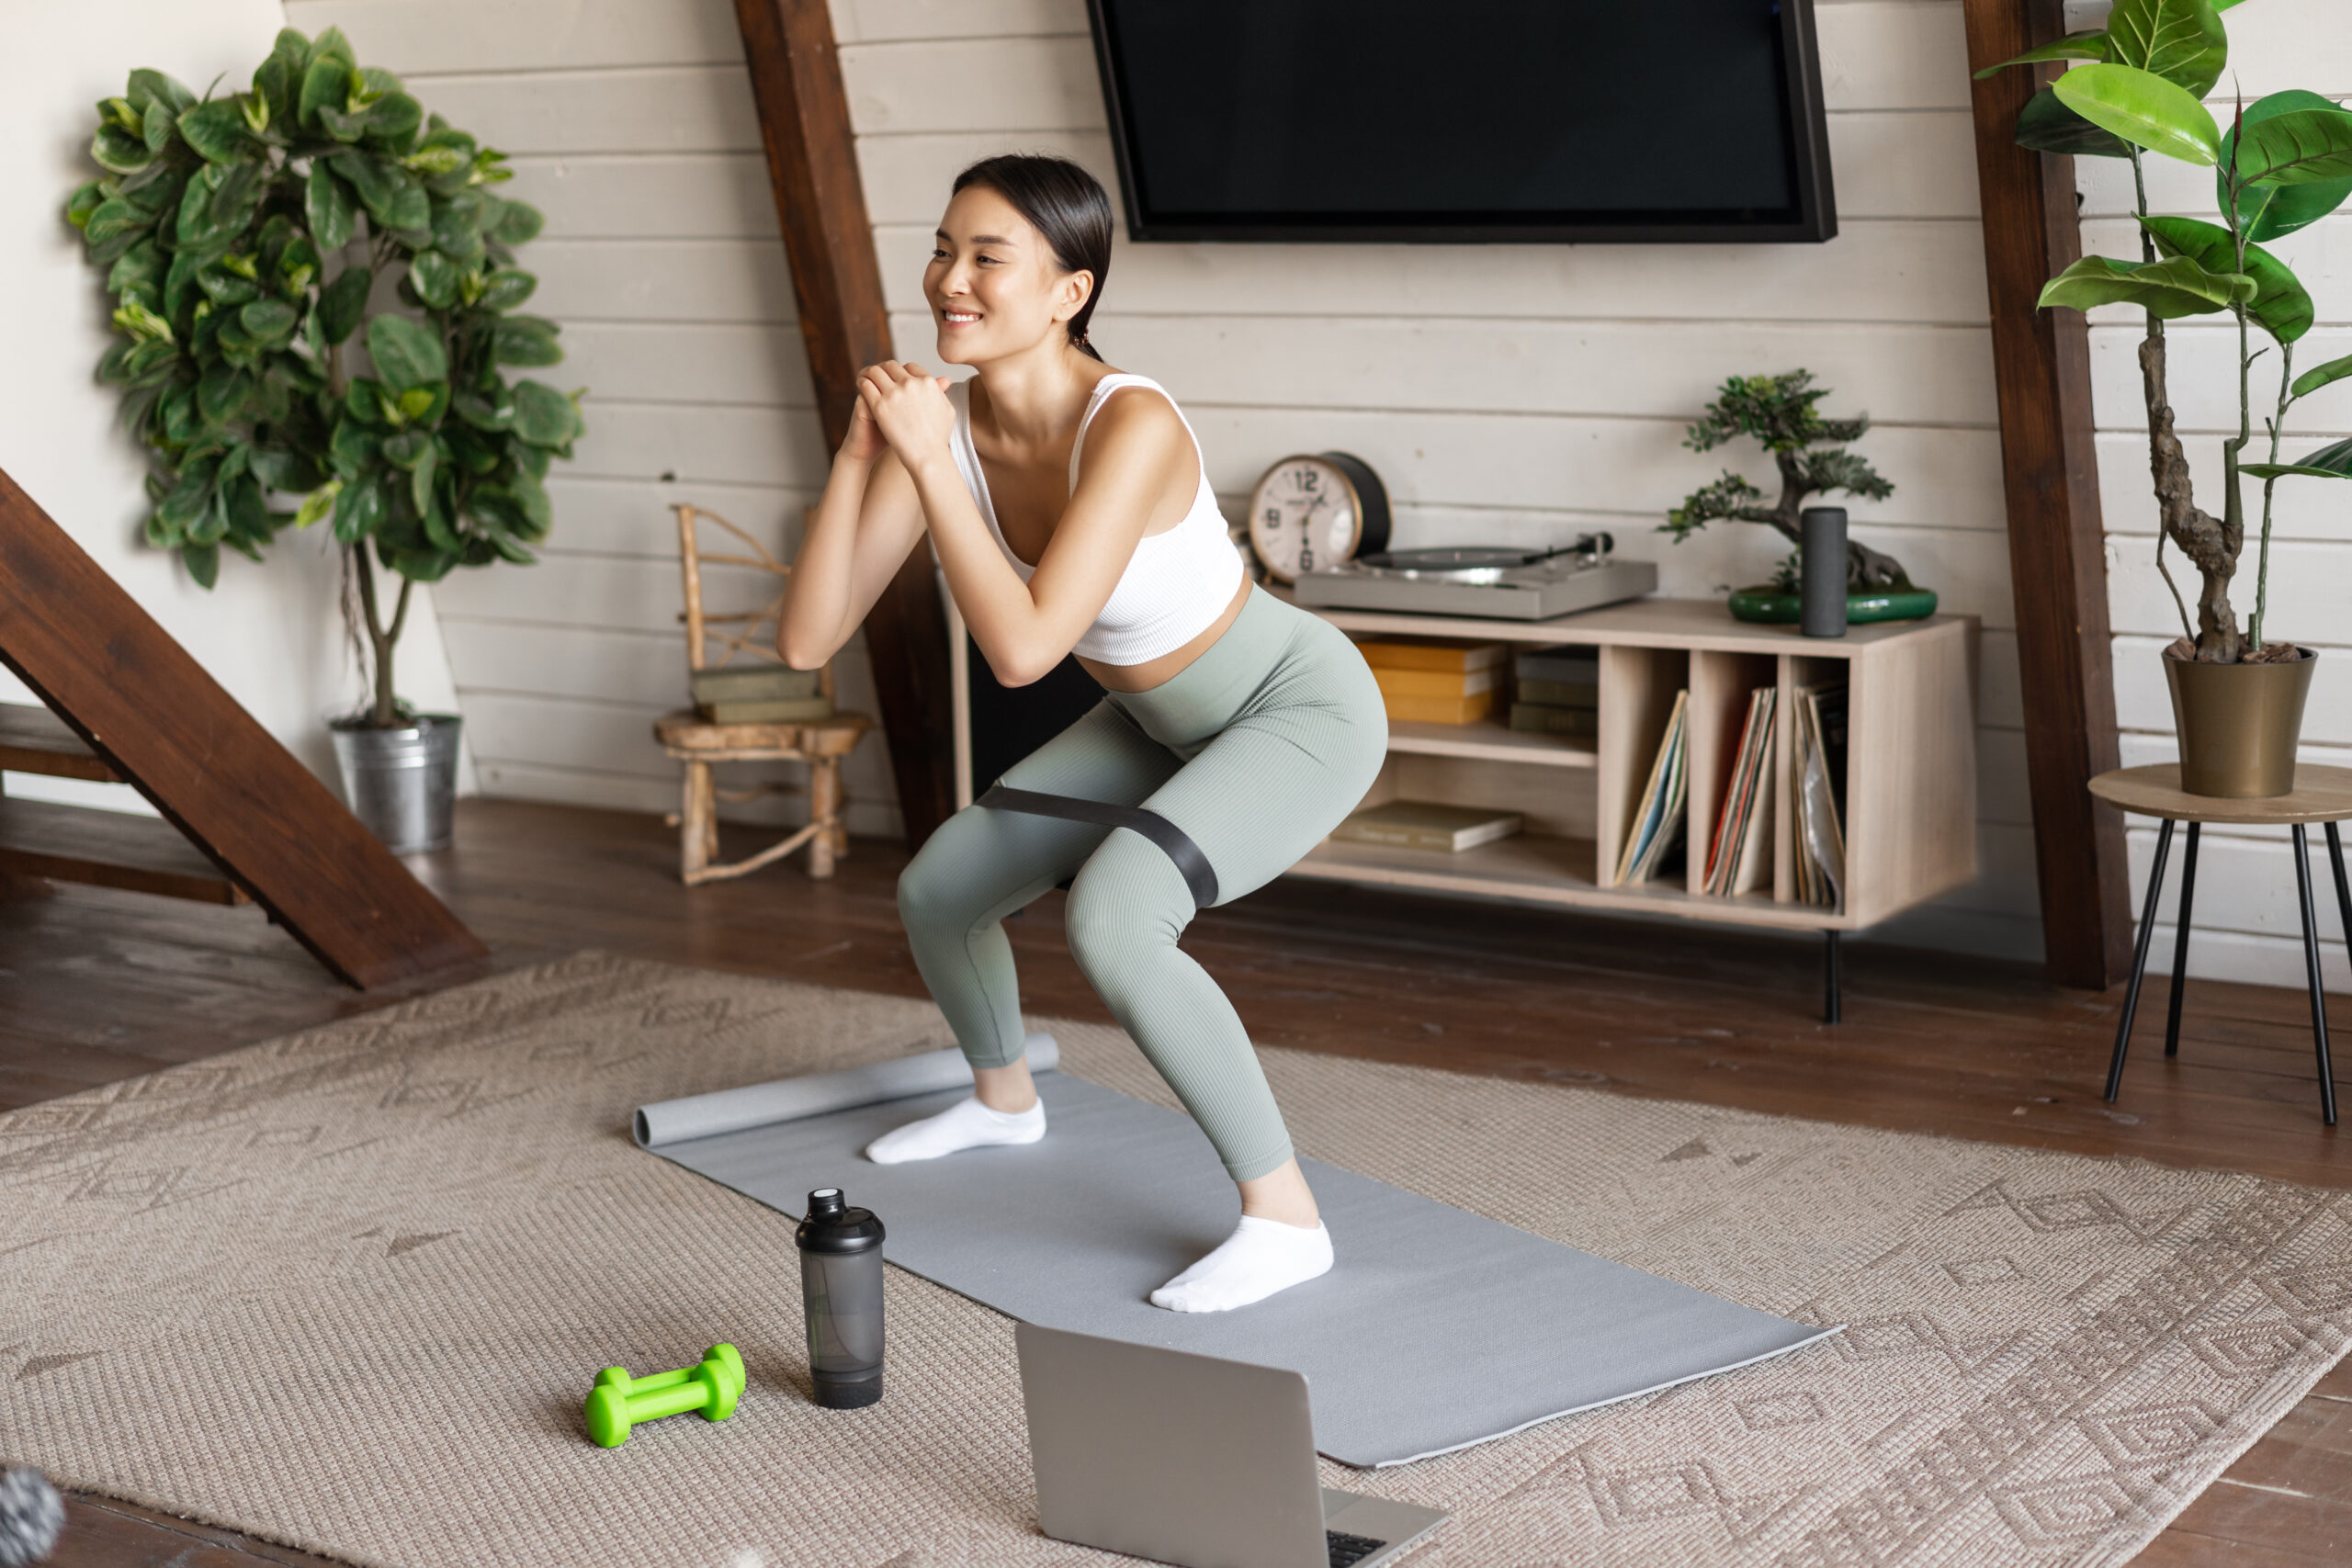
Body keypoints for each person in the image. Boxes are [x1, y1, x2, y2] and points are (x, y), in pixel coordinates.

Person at [777, 153, 1385, 1313]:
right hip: (1153, 721)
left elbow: (1022, 653)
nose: (950, 279)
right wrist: (862, 458)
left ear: (1070, 292)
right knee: (941, 886)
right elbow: (809, 639)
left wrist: (923, 462)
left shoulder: (1133, 423)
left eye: (988, 258)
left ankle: (1286, 1217)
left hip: (1292, 712)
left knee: (1117, 917)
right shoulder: (941, 428)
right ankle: (1004, 1098)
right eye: (944, 247)